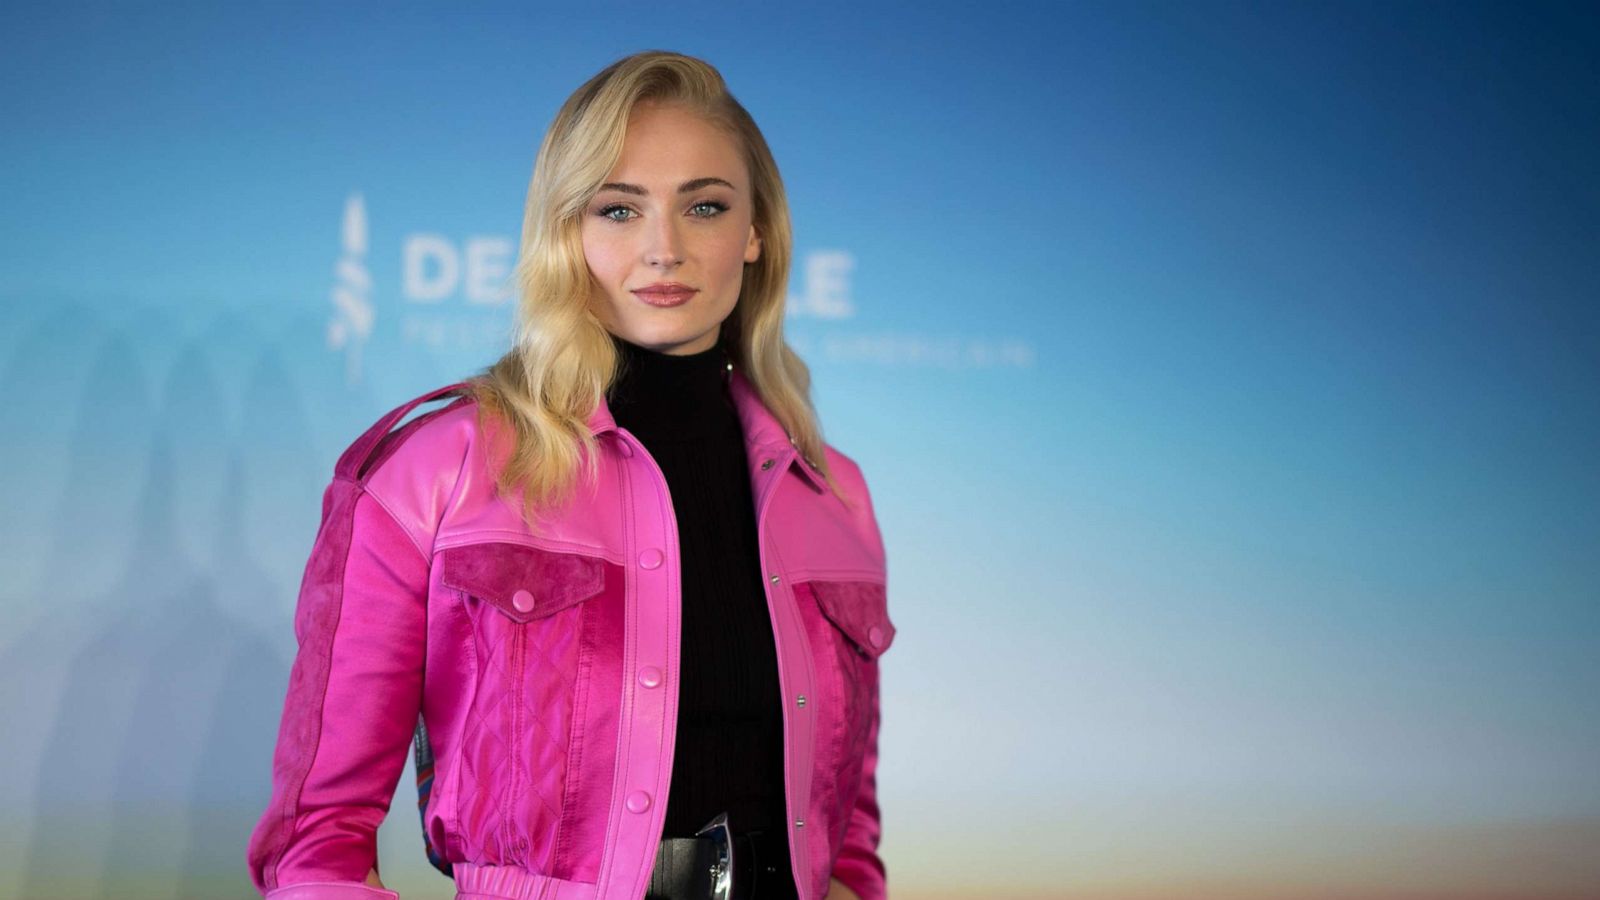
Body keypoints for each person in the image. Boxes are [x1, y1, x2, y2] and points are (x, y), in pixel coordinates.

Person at [245, 50, 895, 900]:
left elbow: (849, 833)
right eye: (619, 209)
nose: (664, 249)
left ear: (755, 232)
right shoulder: (434, 470)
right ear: (567, 232)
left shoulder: (833, 492)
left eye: (704, 206)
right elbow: (316, 841)